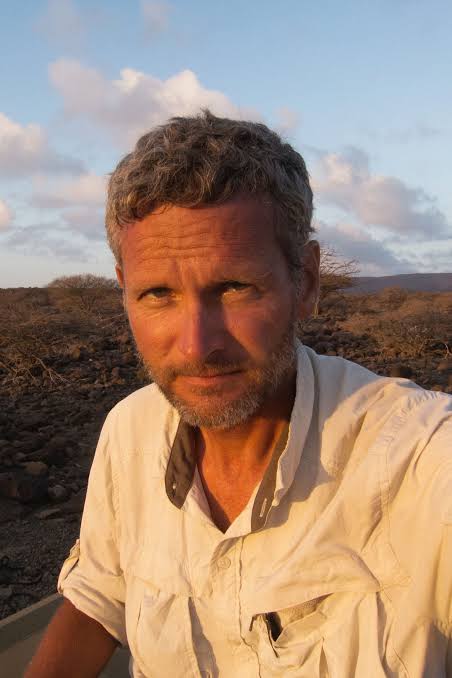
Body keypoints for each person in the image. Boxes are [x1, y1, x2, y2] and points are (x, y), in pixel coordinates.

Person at [26, 111, 452, 678]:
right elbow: (102, 594)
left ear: (306, 281)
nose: (197, 345)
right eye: (158, 294)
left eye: (233, 287)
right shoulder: (128, 429)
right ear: (123, 288)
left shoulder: (416, 458)